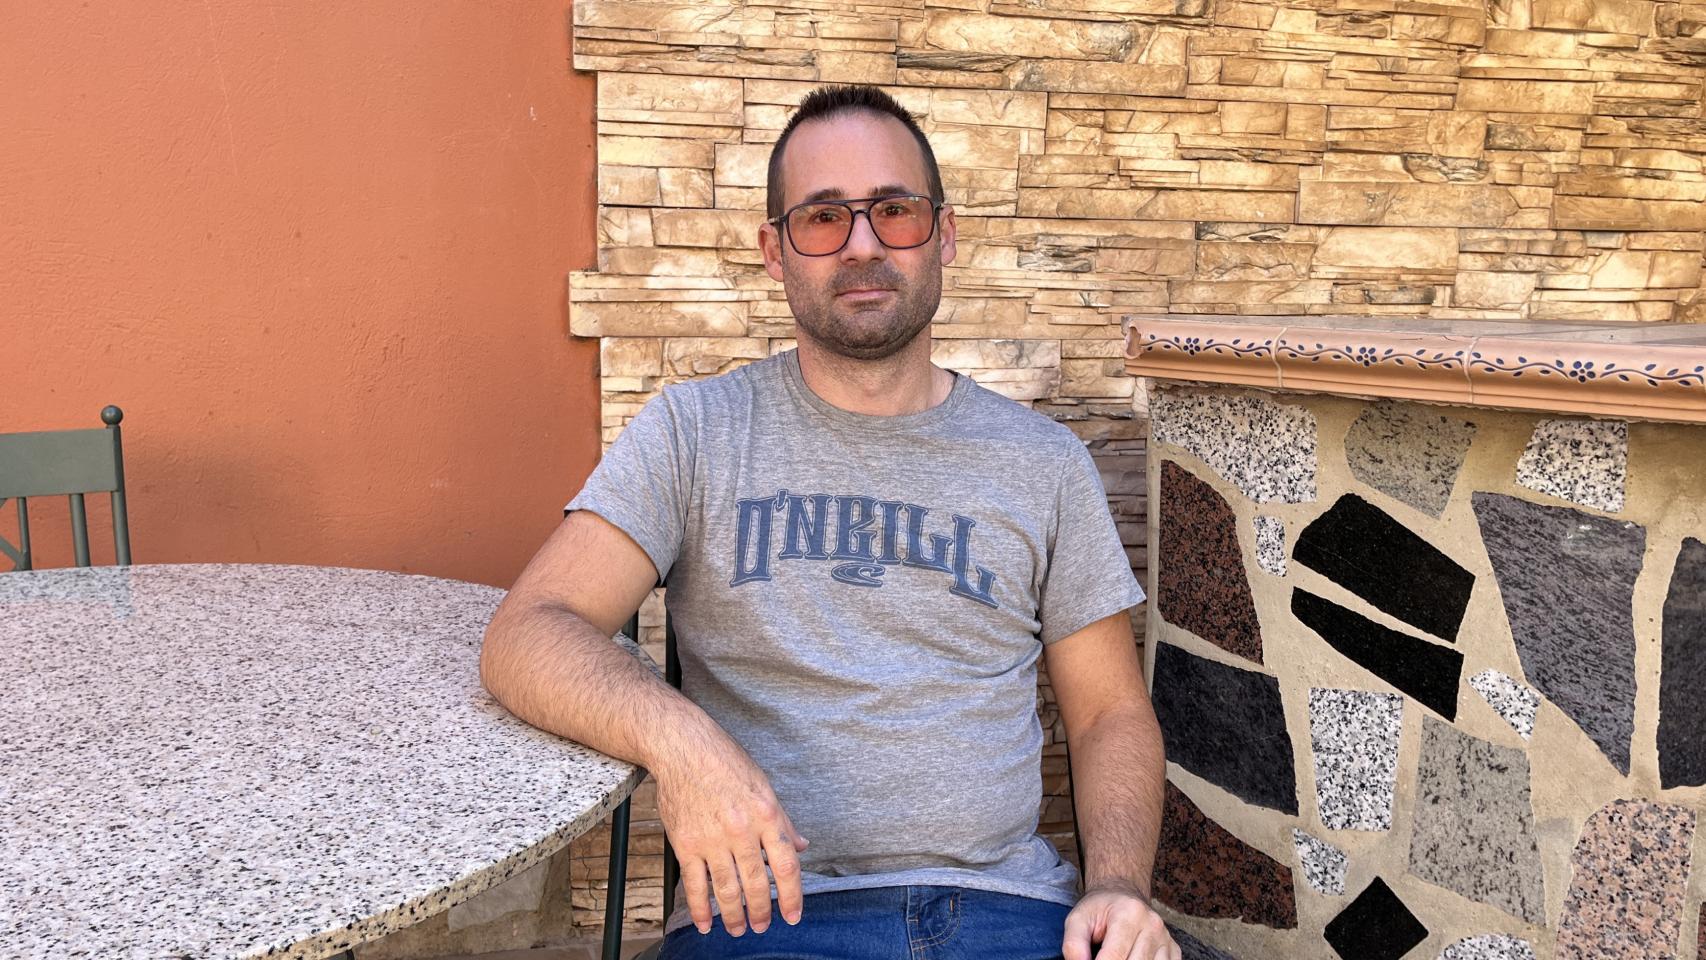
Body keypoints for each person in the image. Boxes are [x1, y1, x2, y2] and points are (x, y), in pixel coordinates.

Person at [480, 84, 1177, 960]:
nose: (862, 245)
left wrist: (1118, 888)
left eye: (894, 210)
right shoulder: (695, 433)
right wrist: (680, 741)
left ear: (944, 234)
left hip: (1008, 914)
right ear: (775, 251)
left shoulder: (1043, 461)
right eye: (822, 217)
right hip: (769, 918)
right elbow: (527, 632)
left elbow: (1110, 712)